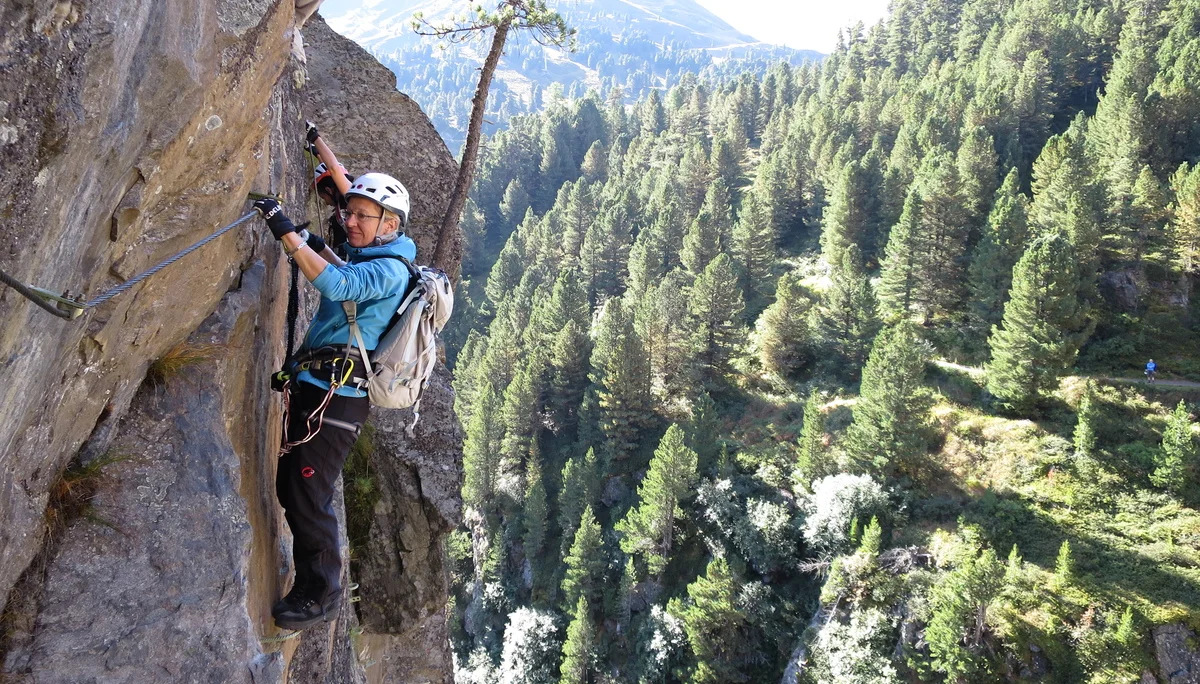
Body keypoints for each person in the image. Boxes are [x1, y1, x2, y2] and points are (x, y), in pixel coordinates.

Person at [252, 170, 415, 631]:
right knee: (293, 487)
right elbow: (344, 270)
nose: (351, 222)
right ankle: (313, 584)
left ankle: (320, 595)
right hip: (322, 390)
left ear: (390, 224)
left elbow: (341, 286)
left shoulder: (389, 268)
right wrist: (308, 238)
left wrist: (285, 232)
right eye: (350, 213)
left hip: (338, 399)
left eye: (364, 216)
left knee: (308, 493)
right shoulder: (375, 256)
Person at [307, 121, 355, 257]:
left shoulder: (351, 197)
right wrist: (317, 154)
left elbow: (334, 169)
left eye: (323, 196)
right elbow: (331, 171)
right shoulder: (343, 198)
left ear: (329, 190)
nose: (326, 202)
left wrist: (314, 136)